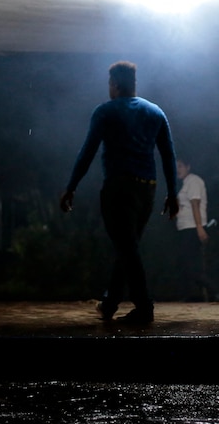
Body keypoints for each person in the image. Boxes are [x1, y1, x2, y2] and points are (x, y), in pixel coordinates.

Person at [60, 60, 179, 324]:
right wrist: (172, 193)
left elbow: (87, 151)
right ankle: (110, 303)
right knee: (128, 247)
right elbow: (168, 156)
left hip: (119, 188)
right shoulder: (155, 112)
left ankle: (144, 308)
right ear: (134, 84)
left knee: (127, 248)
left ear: (114, 84)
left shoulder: (106, 111)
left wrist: (71, 187)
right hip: (147, 189)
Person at [175, 158, 219, 303]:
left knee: (192, 267)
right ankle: (189, 296)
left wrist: (199, 228)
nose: (177, 169)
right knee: (186, 265)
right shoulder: (185, 184)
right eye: (175, 167)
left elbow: (195, 205)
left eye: (180, 166)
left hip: (193, 228)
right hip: (186, 228)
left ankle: (217, 291)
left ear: (188, 167)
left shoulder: (194, 181)